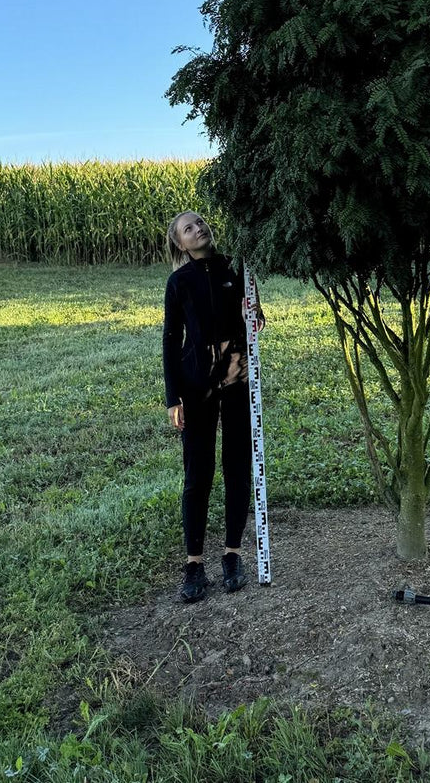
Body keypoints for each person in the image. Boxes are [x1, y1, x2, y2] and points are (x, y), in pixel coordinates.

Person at [162, 210, 264, 603]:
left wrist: (255, 318)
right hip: (196, 386)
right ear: (180, 244)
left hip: (237, 380)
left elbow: (254, 318)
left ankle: (233, 556)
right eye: (189, 228)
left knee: (238, 467)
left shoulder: (235, 268)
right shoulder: (179, 282)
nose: (198, 228)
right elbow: (171, 340)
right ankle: (194, 564)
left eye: (200, 222)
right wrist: (173, 397)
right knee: (198, 473)